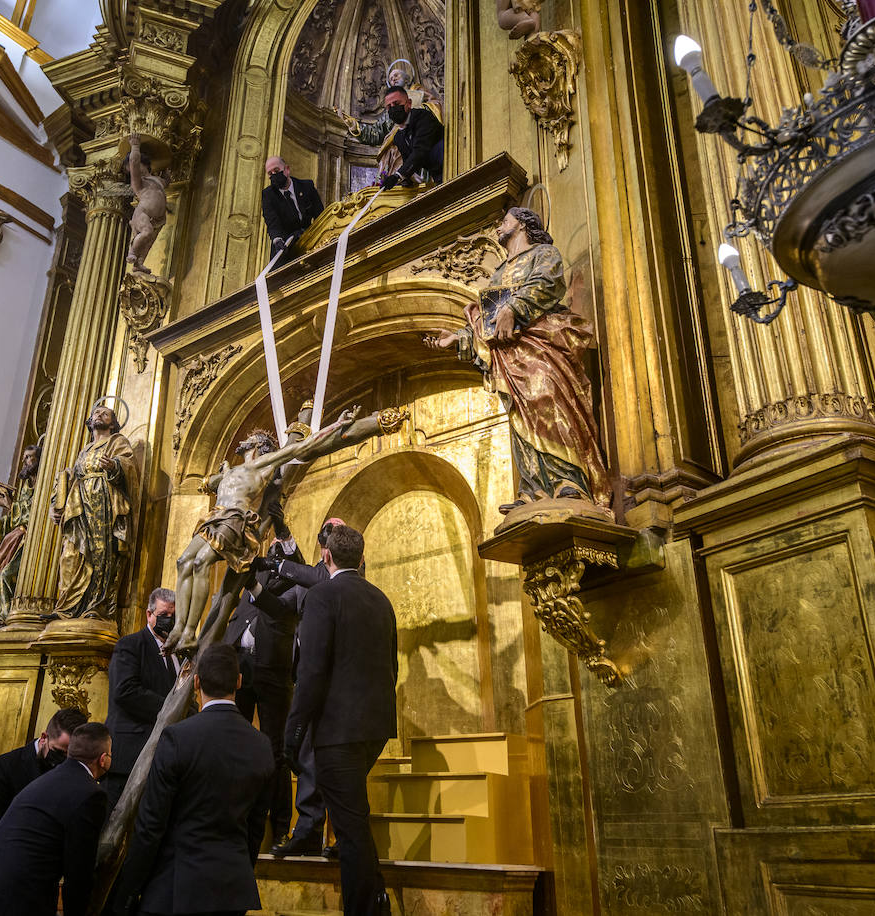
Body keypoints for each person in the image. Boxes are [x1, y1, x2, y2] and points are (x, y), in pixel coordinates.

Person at [166, 406, 400, 655]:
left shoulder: (262, 466)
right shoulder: (231, 471)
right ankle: (178, 627)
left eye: (249, 439)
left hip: (233, 518)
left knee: (201, 562)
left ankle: (190, 632)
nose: (243, 440)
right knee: (184, 561)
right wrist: (209, 479)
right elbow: (207, 482)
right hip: (213, 517)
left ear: (256, 444)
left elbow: (302, 448)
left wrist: (337, 425)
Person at [425, 207, 611, 511]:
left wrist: (515, 309)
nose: (500, 226)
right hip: (510, 357)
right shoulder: (498, 273)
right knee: (520, 418)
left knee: (548, 397)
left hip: (542, 347)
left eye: (505, 221)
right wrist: (458, 338)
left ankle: (569, 481)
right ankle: (534, 489)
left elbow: (547, 284)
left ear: (523, 224)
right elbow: (489, 321)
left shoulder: (543, 254)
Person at [111, 644, 275, 916]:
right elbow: (256, 828)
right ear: (239, 681)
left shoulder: (177, 738)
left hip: (175, 887)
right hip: (232, 890)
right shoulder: (262, 745)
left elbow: (150, 826)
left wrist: (129, 889)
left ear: (196, 682)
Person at [284, 525, 397, 916]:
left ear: (326, 557)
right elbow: (392, 668)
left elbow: (311, 672)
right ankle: (376, 897)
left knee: (350, 828)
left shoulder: (321, 596)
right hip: (375, 727)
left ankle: (368, 907)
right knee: (352, 817)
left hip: (337, 732)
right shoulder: (381, 599)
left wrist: (294, 730)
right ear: (361, 558)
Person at [0, 723, 113, 916]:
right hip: (14, 899)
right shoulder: (90, 794)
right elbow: (78, 871)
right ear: (103, 759)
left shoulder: (49, 778)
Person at [267, 517, 345, 858]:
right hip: (307, 677)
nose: (330, 534)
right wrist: (257, 591)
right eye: (327, 529)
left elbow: (317, 577)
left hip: (337, 683)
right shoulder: (312, 572)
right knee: (308, 757)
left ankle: (343, 835)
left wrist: (279, 561)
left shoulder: (345, 568)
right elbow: (285, 606)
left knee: (338, 762)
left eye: (337, 529)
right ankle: (309, 831)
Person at [227, 537, 303, 847]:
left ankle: (281, 825)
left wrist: (284, 540)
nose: (270, 551)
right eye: (267, 549)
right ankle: (237, 817)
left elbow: (293, 557)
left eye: (276, 550)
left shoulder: (293, 581)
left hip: (274, 672)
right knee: (238, 746)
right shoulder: (252, 575)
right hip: (241, 670)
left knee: (277, 752)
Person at [0, 706, 88, 866]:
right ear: (44, 737)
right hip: (4, 867)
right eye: (59, 751)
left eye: (71, 756)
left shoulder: (76, 775)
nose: (64, 761)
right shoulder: (6, 767)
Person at [50, 399, 137, 620]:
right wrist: (56, 504)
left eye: (105, 414)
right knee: (72, 553)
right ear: (90, 421)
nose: (99, 415)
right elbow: (72, 478)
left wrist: (114, 466)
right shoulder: (85, 450)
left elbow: (128, 465)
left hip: (103, 503)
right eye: (97, 413)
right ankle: (68, 606)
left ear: (113, 423)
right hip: (79, 505)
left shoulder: (117, 441)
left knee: (100, 553)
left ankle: (96, 605)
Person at [105, 587, 179, 807]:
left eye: (173, 617)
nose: (169, 621)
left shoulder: (179, 654)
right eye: (163, 615)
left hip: (161, 755)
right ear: (149, 614)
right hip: (129, 753)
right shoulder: (130, 645)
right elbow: (125, 691)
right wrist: (172, 708)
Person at [0, 442, 40, 628]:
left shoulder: (44, 483)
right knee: (3, 574)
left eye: (29, 457)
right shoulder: (27, 486)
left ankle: (5, 617)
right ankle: (3, 616)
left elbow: (34, 513)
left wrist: (11, 504)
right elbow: (15, 519)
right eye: (24, 457)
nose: (25, 461)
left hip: (34, 540)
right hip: (19, 537)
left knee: (7, 575)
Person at [261, 156, 324, 265]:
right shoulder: (268, 195)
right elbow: (272, 221)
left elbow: (320, 214)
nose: (274, 175)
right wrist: (277, 239)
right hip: (285, 244)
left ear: (287, 169)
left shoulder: (307, 186)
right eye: (270, 174)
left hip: (309, 237)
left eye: (276, 171)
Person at [378, 86, 444, 189]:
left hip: (450, 167)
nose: (393, 109)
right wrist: (405, 180)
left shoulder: (423, 117)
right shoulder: (398, 138)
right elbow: (408, 161)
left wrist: (398, 176)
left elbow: (420, 150)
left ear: (408, 103)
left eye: (396, 104)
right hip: (437, 177)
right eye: (389, 107)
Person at [126, 133, 168, 273]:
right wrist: (135, 146)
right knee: (146, 232)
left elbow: (166, 182)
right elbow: (133, 162)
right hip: (143, 213)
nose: (133, 170)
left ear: (145, 165)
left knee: (149, 242)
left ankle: (140, 263)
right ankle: (132, 252)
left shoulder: (157, 181)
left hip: (159, 219)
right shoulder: (139, 184)